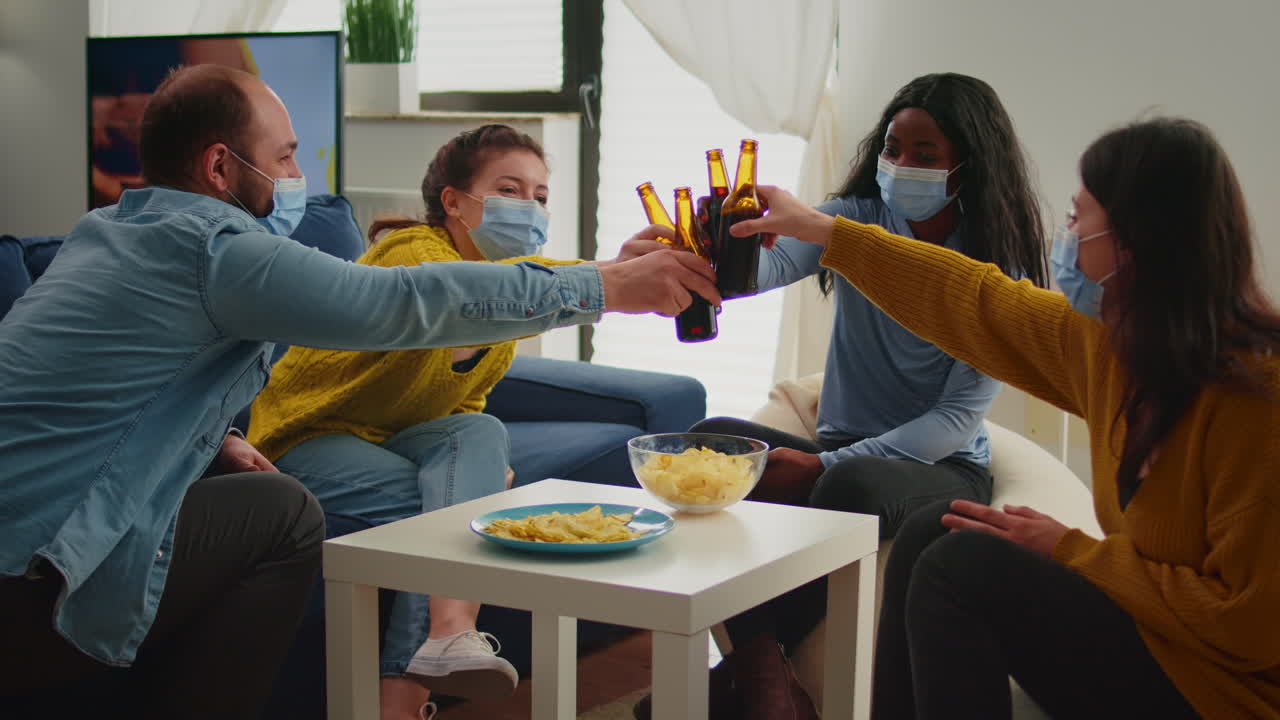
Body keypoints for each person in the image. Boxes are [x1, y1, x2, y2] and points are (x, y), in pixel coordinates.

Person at [0, 64, 718, 720]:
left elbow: (104, 380)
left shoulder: (108, 232)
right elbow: (402, 302)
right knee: (283, 516)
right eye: (283, 156)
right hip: (25, 578)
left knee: (282, 497)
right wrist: (606, 286)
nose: (296, 175)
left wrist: (214, 436)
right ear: (221, 166)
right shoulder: (216, 251)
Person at [733, 116, 1280, 718]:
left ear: (1134, 242)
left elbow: (1250, 625)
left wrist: (1073, 551)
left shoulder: (1257, 401)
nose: (1064, 236)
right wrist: (824, 231)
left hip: (1222, 691)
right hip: (1153, 639)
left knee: (962, 568)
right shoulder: (1109, 346)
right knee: (936, 530)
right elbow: (971, 299)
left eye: (1077, 218)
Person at [246, 124, 669, 718]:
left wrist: (479, 465)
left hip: (390, 441)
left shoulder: (511, 288)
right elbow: (482, 294)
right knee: (460, 510)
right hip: (304, 438)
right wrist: (610, 275)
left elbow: (461, 406)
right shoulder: (413, 253)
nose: (529, 207)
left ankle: (446, 634)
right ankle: (406, 691)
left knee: (482, 435)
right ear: (454, 202)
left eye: (541, 196)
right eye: (509, 189)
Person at [675, 73, 1048, 720]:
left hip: (939, 467)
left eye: (924, 154)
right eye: (892, 148)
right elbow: (766, 271)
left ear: (969, 164)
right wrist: (724, 249)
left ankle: (743, 684)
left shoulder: (995, 266)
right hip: (842, 446)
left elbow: (957, 419)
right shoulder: (852, 223)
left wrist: (824, 466)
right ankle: (767, 675)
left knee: (851, 489)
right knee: (707, 442)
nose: (901, 166)